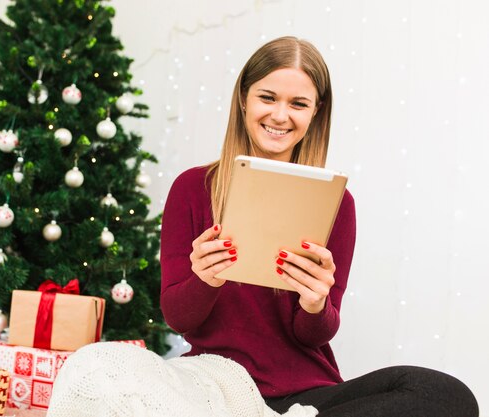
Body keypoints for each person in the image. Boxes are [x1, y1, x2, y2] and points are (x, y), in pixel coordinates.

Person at [160, 36, 478, 416]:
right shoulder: (193, 188)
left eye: (298, 104)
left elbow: (313, 334)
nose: (280, 116)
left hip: (307, 394)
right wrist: (205, 280)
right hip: (216, 384)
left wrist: (315, 304)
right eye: (268, 97)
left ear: (315, 112)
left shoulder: (337, 204)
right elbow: (179, 319)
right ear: (243, 98)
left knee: (444, 393)